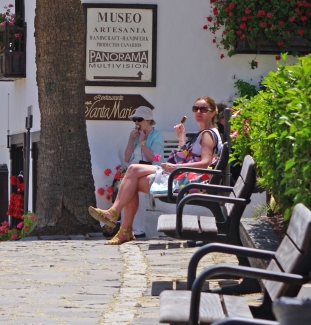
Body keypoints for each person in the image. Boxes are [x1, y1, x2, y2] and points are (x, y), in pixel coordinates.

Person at [90, 96, 223, 245]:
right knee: (131, 180)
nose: (198, 112)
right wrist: (181, 139)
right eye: (195, 108)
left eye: (203, 109)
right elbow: (185, 157)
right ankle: (122, 227)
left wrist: (176, 167)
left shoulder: (207, 134)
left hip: (187, 181)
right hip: (183, 177)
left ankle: (117, 219)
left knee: (132, 173)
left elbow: (204, 163)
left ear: (212, 112)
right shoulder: (204, 133)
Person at [119, 106, 163, 238]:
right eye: (135, 120)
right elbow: (127, 158)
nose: (137, 122)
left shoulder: (157, 135)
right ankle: (124, 227)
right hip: (134, 167)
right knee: (125, 188)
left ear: (148, 120)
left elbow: (152, 158)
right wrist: (131, 139)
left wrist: (142, 143)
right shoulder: (135, 135)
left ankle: (138, 229)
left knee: (137, 190)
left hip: (149, 168)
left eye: (140, 119)